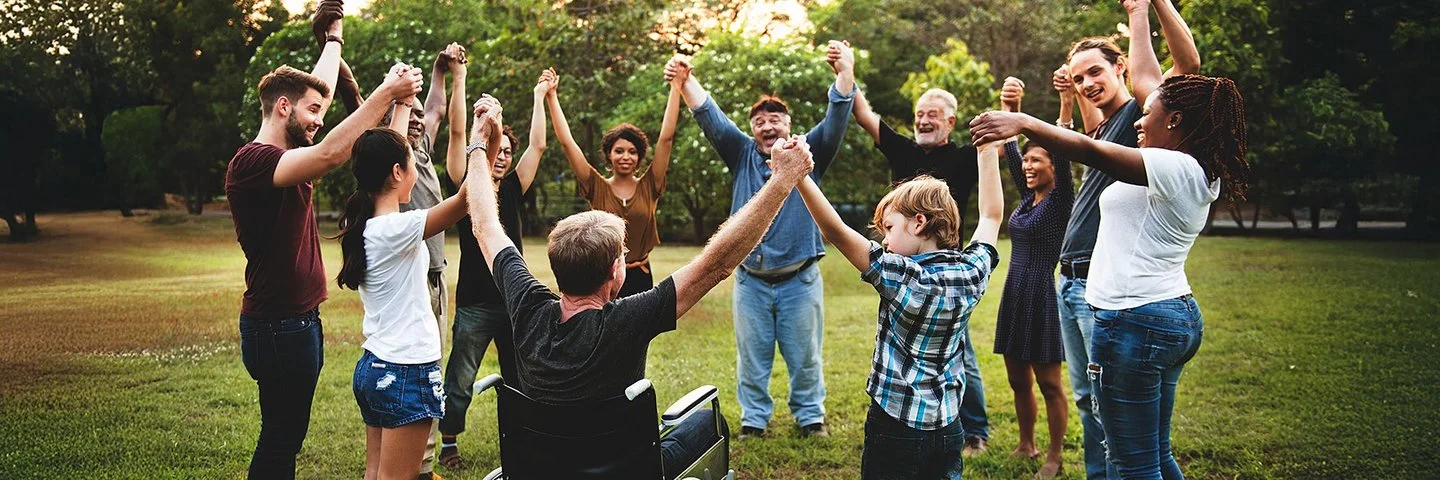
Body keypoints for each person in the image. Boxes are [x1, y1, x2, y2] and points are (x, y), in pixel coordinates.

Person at [464, 93, 817, 476]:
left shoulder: (527, 306)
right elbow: (717, 264)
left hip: (543, 466)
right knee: (709, 423)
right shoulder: (629, 319)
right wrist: (782, 181)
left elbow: (484, 224)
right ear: (617, 272)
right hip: (626, 468)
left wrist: (479, 142)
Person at [971, 69, 1248, 480]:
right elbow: (1144, 80)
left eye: (1148, 112)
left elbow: (1090, 150)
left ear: (1174, 120)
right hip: (1166, 314)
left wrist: (1025, 121)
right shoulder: (1192, 170)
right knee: (1155, 455)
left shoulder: (1175, 167)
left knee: (1132, 464)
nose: (1138, 120)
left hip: (1134, 321)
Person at [224, 3, 422, 476]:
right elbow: (333, 151)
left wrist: (333, 39)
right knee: (280, 439)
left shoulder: (287, 151)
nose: (319, 118)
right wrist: (387, 91)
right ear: (283, 107)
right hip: (278, 326)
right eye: (312, 112)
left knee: (285, 436)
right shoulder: (253, 162)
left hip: (296, 322)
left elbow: (320, 95)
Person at [663, 40, 855, 439]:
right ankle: (754, 420)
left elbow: (837, 114)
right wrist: (686, 79)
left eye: (776, 119)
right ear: (753, 130)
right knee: (752, 359)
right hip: (750, 281)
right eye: (760, 122)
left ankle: (810, 417)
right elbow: (708, 114)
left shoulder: (809, 153)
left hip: (800, 280)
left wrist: (844, 71)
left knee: (805, 358)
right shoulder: (741, 153)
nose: (768, 126)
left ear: (789, 124)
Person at [794, 137, 1004, 479]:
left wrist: (800, 174)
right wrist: (986, 150)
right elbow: (992, 216)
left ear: (918, 222)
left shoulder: (900, 274)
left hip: (894, 425)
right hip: (949, 423)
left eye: (889, 228)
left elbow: (833, 229)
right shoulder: (971, 271)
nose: (885, 241)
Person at [1052, 0, 1200, 476]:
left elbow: (1186, 67)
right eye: (1078, 78)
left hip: (1116, 298)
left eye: (1095, 71)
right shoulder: (1111, 128)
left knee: (1118, 425)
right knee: (1088, 402)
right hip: (1073, 280)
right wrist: (1067, 102)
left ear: (1121, 67)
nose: (1088, 83)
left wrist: (1141, 10)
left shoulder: (1141, 114)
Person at [846, 40, 991, 454]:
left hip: (948, 266)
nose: (924, 120)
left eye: (932, 115)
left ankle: (974, 428)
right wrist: (848, 69)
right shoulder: (903, 149)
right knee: (902, 340)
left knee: (959, 350)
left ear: (950, 120)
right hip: (903, 264)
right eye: (919, 114)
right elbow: (862, 113)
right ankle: (904, 410)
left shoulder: (964, 157)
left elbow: (991, 206)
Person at [332, 127, 472, 480]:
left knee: (377, 474)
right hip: (405, 370)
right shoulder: (395, 228)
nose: (417, 171)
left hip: (376, 366)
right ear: (397, 172)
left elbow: (386, 142)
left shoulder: (367, 223)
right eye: (412, 163)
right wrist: (485, 139)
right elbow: (467, 199)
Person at [437, 70, 552, 471]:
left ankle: (522, 438)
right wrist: (460, 79)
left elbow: (538, 144)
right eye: (497, 150)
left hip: (515, 301)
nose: (503, 156)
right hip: (474, 304)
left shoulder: (517, 189)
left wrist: (540, 95)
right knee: (461, 377)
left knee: (521, 376)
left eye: (507, 151)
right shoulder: (468, 186)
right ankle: (448, 442)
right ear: (485, 151)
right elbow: (456, 137)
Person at [991, 77, 1072, 479]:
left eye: (1037, 160)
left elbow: (1064, 145)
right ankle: (1026, 444)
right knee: (1017, 378)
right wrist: (1011, 105)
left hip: (1040, 292)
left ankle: (1054, 457)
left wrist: (1065, 102)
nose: (1028, 165)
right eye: (1026, 161)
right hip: (1014, 291)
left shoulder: (1060, 201)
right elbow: (1008, 150)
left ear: (1055, 167)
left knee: (1049, 383)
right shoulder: (1028, 198)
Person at [548, 63, 684, 297]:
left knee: (638, 333)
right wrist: (551, 96)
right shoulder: (596, 185)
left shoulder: (650, 185)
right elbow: (567, 143)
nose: (626, 156)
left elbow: (666, 139)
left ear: (640, 157)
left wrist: (676, 86)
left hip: (640, 274)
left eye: (632, 151)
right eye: (619, 151)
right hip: (600, 275)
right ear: (609, 156)